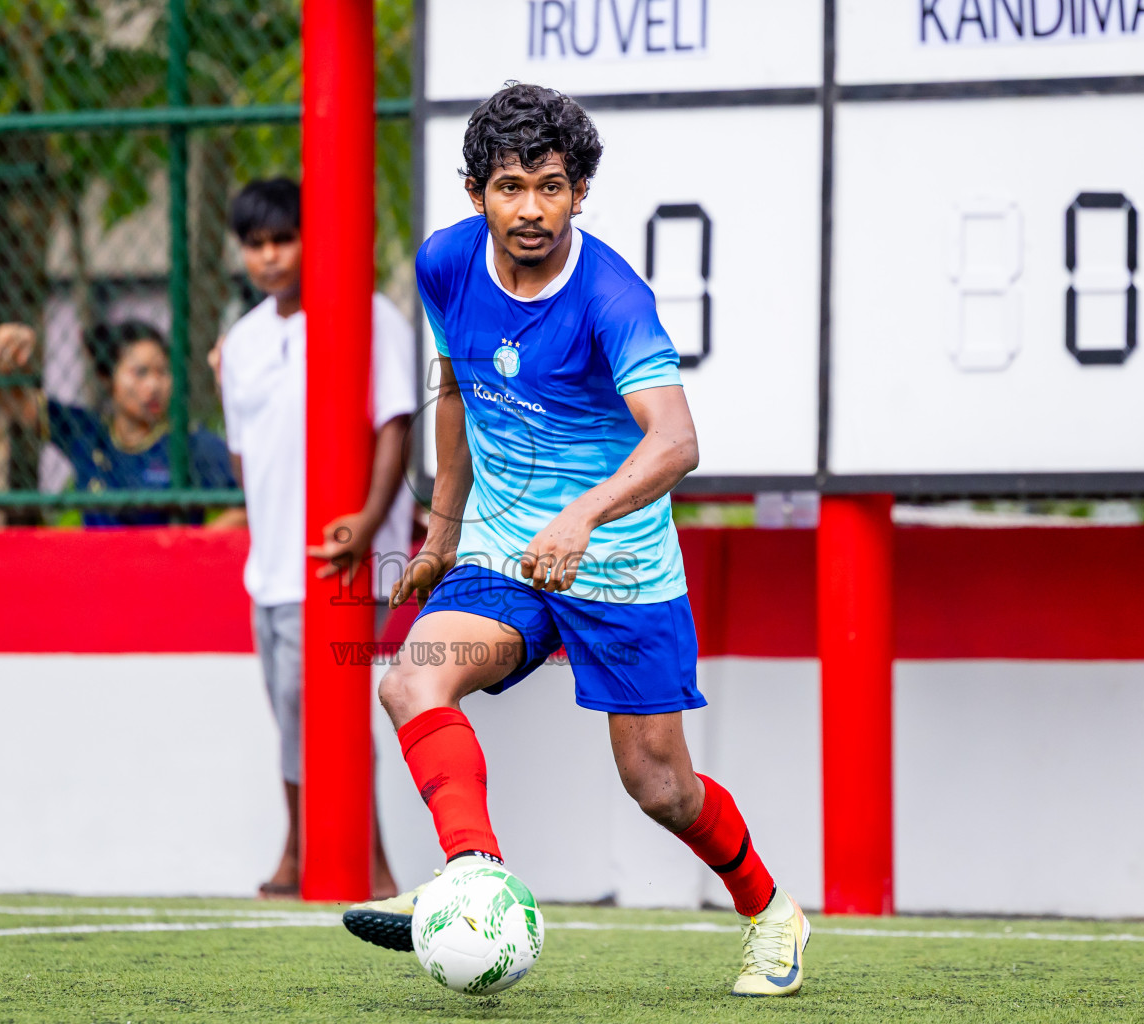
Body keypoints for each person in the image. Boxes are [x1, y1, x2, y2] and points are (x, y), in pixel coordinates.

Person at [341, 84, 809, 998]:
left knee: (660, 788)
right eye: (510, 186)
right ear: (476, 190)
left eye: (551, 187)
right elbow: (457, 389)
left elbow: (678, 441)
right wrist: (441, 529)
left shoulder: (608, 295)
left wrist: (584, 514)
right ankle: (473, 875)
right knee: (410, 679)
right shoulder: (445, 266)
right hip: (506, 552)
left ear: (580, 191)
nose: (530, 209)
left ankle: (772, 912)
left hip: (622, 567)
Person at [210, 177, 413, 900]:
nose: (269, 258)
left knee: (325, 709)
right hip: (268, 566)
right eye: (255, 246)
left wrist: (366, 518)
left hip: (338, 558)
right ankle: (300, 851)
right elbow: (244, 452)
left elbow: (395, 423)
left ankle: (372, 865)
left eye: (282, 240)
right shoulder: (239, 342)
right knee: (290, 712)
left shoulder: (367, 314)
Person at [0, 318, 237, 527]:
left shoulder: (192, 443)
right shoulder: (87, 433)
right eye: (140, 373)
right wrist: (9, 356)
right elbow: (11, 399)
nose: (154, 386)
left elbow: (248, 505)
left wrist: (191, 545)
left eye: (162, 372)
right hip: (98, 574)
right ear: (108, 377)